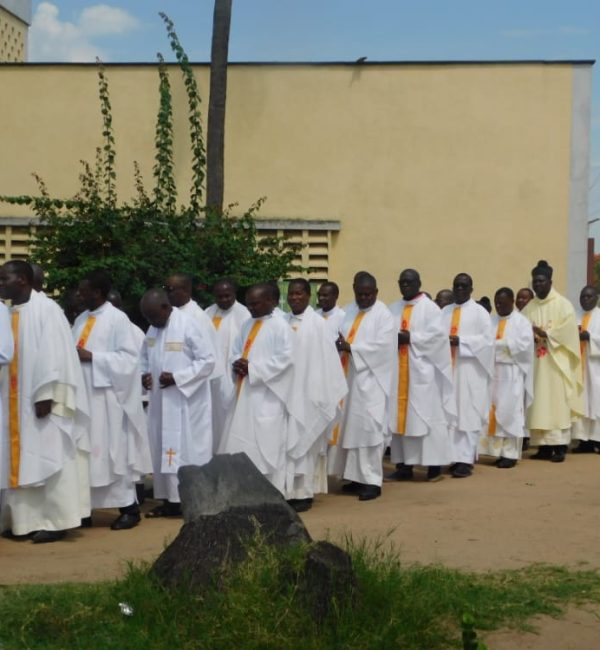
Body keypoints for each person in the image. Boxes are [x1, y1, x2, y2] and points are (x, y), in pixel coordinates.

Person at [0, 260, 90, 543]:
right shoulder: (10, 310)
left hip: (42, 401)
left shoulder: (47, 310)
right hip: (13, 400)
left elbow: (54, 356)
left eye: (5, 279)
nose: (1, 284)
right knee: (19, 458)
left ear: (23, 280)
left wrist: (45, 395)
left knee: (50, 455)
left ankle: (55, 521)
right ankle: (21, 521)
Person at [73, 270, 151, 530]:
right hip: (84, 399)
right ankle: (84, 509)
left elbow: (130, 361)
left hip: (107, 401)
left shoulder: (118, 319)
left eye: (83, 291)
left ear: (97, 292)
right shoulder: (82, 319)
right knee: (83, 455)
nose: (79, 295)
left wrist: (93, 357)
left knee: (112, 455)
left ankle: (129, 509)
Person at [140, 288, 216, 517]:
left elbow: (208, 361)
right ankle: (169, 501)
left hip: (186, 404)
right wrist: (144, 375)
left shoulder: (188, 324)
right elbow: (143, 358)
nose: (152, 322)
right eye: (148, 318)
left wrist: (178, 377)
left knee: (186, 451)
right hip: (160, 403)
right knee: (162, 449)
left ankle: (190, 500)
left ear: (166, 307)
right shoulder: (153, 328)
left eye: (154, 316)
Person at [218, 283, 294, 493]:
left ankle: (271, 493)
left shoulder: (281, 326)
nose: (250, 308)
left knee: (267, 446)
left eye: (255, 303)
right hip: (244, 395)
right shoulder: (246, 325)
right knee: (242, 442)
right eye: (249, 304)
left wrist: (253, 368)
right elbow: (235, 351)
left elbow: (286, 361)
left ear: (271, 301)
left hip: (268, 397)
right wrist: (237, 363)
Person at [330, 272, 396, 501]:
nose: (364, 298)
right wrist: (340, 344)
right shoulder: (347, 311)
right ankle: (355, 478)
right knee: (350, 429)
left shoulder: (384, 315)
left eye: (368, 294)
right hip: (349, 379)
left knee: (369, 430)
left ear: (376, 292)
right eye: (360, 294)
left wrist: (352, 348)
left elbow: (384, 348)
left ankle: (371, 481)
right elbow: (336, 335)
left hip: (372, 382)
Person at [284, 279, 347, 511]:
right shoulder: (282, 322)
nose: (294, 298)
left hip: (310, 393)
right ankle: (288, 490)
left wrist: (320, 392)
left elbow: (327, 362)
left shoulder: (319, 325)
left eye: (299, 294)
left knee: (305, 442)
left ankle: (304, 493)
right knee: (288, 443)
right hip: (287, 395)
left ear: (308, 296)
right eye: (291, 294)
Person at [388, 269, 455, 482]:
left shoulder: (431, 309)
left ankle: (434, 468)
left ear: (419, 283)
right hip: (399, 372)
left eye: (409, 282)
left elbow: (438, 339)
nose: (405, 285)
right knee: (400, 420)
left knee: (428, 419)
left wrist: (411, 337)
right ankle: (403, 466)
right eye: (402, 282)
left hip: (423, 375)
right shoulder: (393, 309)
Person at [522, 261, 583, 463]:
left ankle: (559, 446)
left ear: (550, 281)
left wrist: (546, 333)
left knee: (556, 402)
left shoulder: (563, 304)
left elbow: (568, 331)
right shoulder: (530, 307)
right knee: (539, 403)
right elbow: (520, 329)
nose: (537, 285)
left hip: (557, 363)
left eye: (541, 281)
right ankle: (543, 447)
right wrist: (529, 336)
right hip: (537, 364)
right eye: (535, 281)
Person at [440, 273, 494, 478]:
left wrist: (460, 341)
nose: (460, 289)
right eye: (456, 286)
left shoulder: (480, 313)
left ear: (471, 288)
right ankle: (451, 457)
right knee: (449, 413)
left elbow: (487, 342)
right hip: (448, 370)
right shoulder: (444, 312)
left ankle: (465, 460)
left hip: (470, 371)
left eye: (464, 286)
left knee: (467, 413)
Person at [479, 288, 534, 468]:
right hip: (492, 373)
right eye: (496, 302)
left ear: (511, 301)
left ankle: (510, 455)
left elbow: (525, 347)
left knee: (510, 412)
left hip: (511, 374)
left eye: (501, 302)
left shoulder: (521, 322)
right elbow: (483, 343)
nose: (498, 305)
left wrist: (498, 346)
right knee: (493, 410)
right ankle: (496, 452)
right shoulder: (491, 321)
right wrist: (495, 347)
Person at [204, 279, 251, 450]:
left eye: (227, 296)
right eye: (219, 296)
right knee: (210, 418)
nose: (223, 300)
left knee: (228, 417)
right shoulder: (208, 312)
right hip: (210, 377)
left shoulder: (244, 314)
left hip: (231, 377)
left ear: (234, 294)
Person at [164, 273, 222, 377]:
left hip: (192, 382)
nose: (166, 293)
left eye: (170, 289)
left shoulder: (197, 317)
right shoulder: (169, 313)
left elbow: (207, 359)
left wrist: (180, 377)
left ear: (186, 291)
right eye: (165, 288)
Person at [571, 285, 600, 453]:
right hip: (579, 367)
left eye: (589, 296)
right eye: (582, 297)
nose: (585, 300)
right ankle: (584, 441)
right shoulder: (574, 316)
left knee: (596, 402)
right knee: (582, 402)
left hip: (595, 367)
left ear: (597, 297)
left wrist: (590, 337)